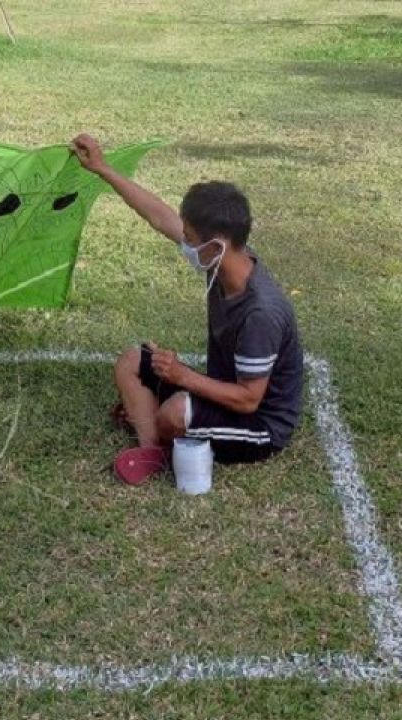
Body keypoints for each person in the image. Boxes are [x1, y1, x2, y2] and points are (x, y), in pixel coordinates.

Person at [71, 133, 304, 484]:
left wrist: (183, 377)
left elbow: (248, 401)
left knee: (174, 413)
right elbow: (160, 216)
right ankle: (155, 450)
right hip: (224, 388)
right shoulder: (225, 259)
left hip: (260, 426)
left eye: (191, 238)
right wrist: (102, 168)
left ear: (216, 244)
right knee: (132, 361)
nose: (186, 244)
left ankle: (159, 431)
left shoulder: (261, 313)